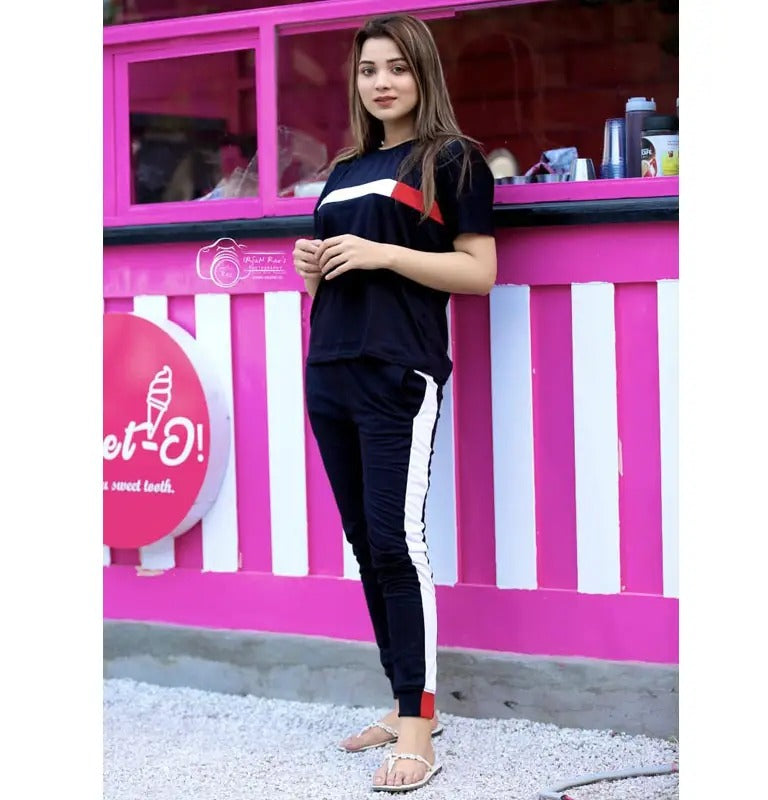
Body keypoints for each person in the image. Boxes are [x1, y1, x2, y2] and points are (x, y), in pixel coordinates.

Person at [293, 13, 496, 793]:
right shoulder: (345, 167)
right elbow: (337, 275)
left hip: (397, 374)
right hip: (330, 368)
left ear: (423, 75)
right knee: (363, 544)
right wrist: (314, 265)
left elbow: (478, 273)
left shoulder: (455, 160)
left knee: (395, 543)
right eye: (369, 69)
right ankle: (404, 699)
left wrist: (381, 251)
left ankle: (418, 726)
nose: (381, 82)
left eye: (397, 68)